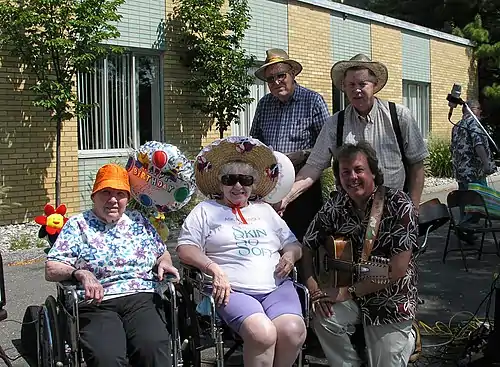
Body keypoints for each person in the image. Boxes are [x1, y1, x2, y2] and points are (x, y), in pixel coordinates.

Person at [177, 136, 306, 367]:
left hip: (277, 286)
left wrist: (289, 255)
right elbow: (185, 248)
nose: (238, 186)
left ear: (253, 184)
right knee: (262, 333)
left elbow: (293, 244)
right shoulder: (205, 210)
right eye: (230, 179)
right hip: (233, 290)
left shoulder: (265, 210)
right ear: (220, 183)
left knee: (293, 330)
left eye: (245, 180)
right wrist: (213, 268)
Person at [45, 163, 179, 367]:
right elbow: (52, 267)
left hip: (141, 297)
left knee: (152, 346)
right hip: (97, 302)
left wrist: (165, 263)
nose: (113, 199)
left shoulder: (138, 220)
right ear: (94, 195)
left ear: (128, 198)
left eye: (120, 193)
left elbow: (162, 252)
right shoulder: (78, 224)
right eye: (106, 192)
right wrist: (80, 273)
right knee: (107, 357)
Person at [301, 142, 419, 367]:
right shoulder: (335, 206)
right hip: (350, 292)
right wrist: (315, 290)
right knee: (323, 318)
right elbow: (307, 245)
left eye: (358, 170)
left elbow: (397, 270)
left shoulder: (399, 205)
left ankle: (409, 338)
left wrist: (347, 292)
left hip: (391, 299)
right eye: (345, 172)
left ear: (373, 172)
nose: (352, 177)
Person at [279, 53, 428, 214]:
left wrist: (412, 210)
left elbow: (417, 165)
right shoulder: (335, 124)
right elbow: (313, 167)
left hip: (394, 210)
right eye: (351, 84)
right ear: (344, 87)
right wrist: (286, 198)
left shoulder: (399, 116)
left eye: (362, 84)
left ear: (375, 85)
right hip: (351, 214)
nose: (356, 90)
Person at [250, 48, 330, 240]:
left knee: (304, 242)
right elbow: (254, 144)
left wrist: (299, 155)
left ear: (292, 74)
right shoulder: (264, 104)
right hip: (270, 185)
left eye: (281, 75)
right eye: (270, 79)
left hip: (303, 185)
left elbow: (327, 148)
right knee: (272, 239)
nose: (276, 82)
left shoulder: (313, 101)